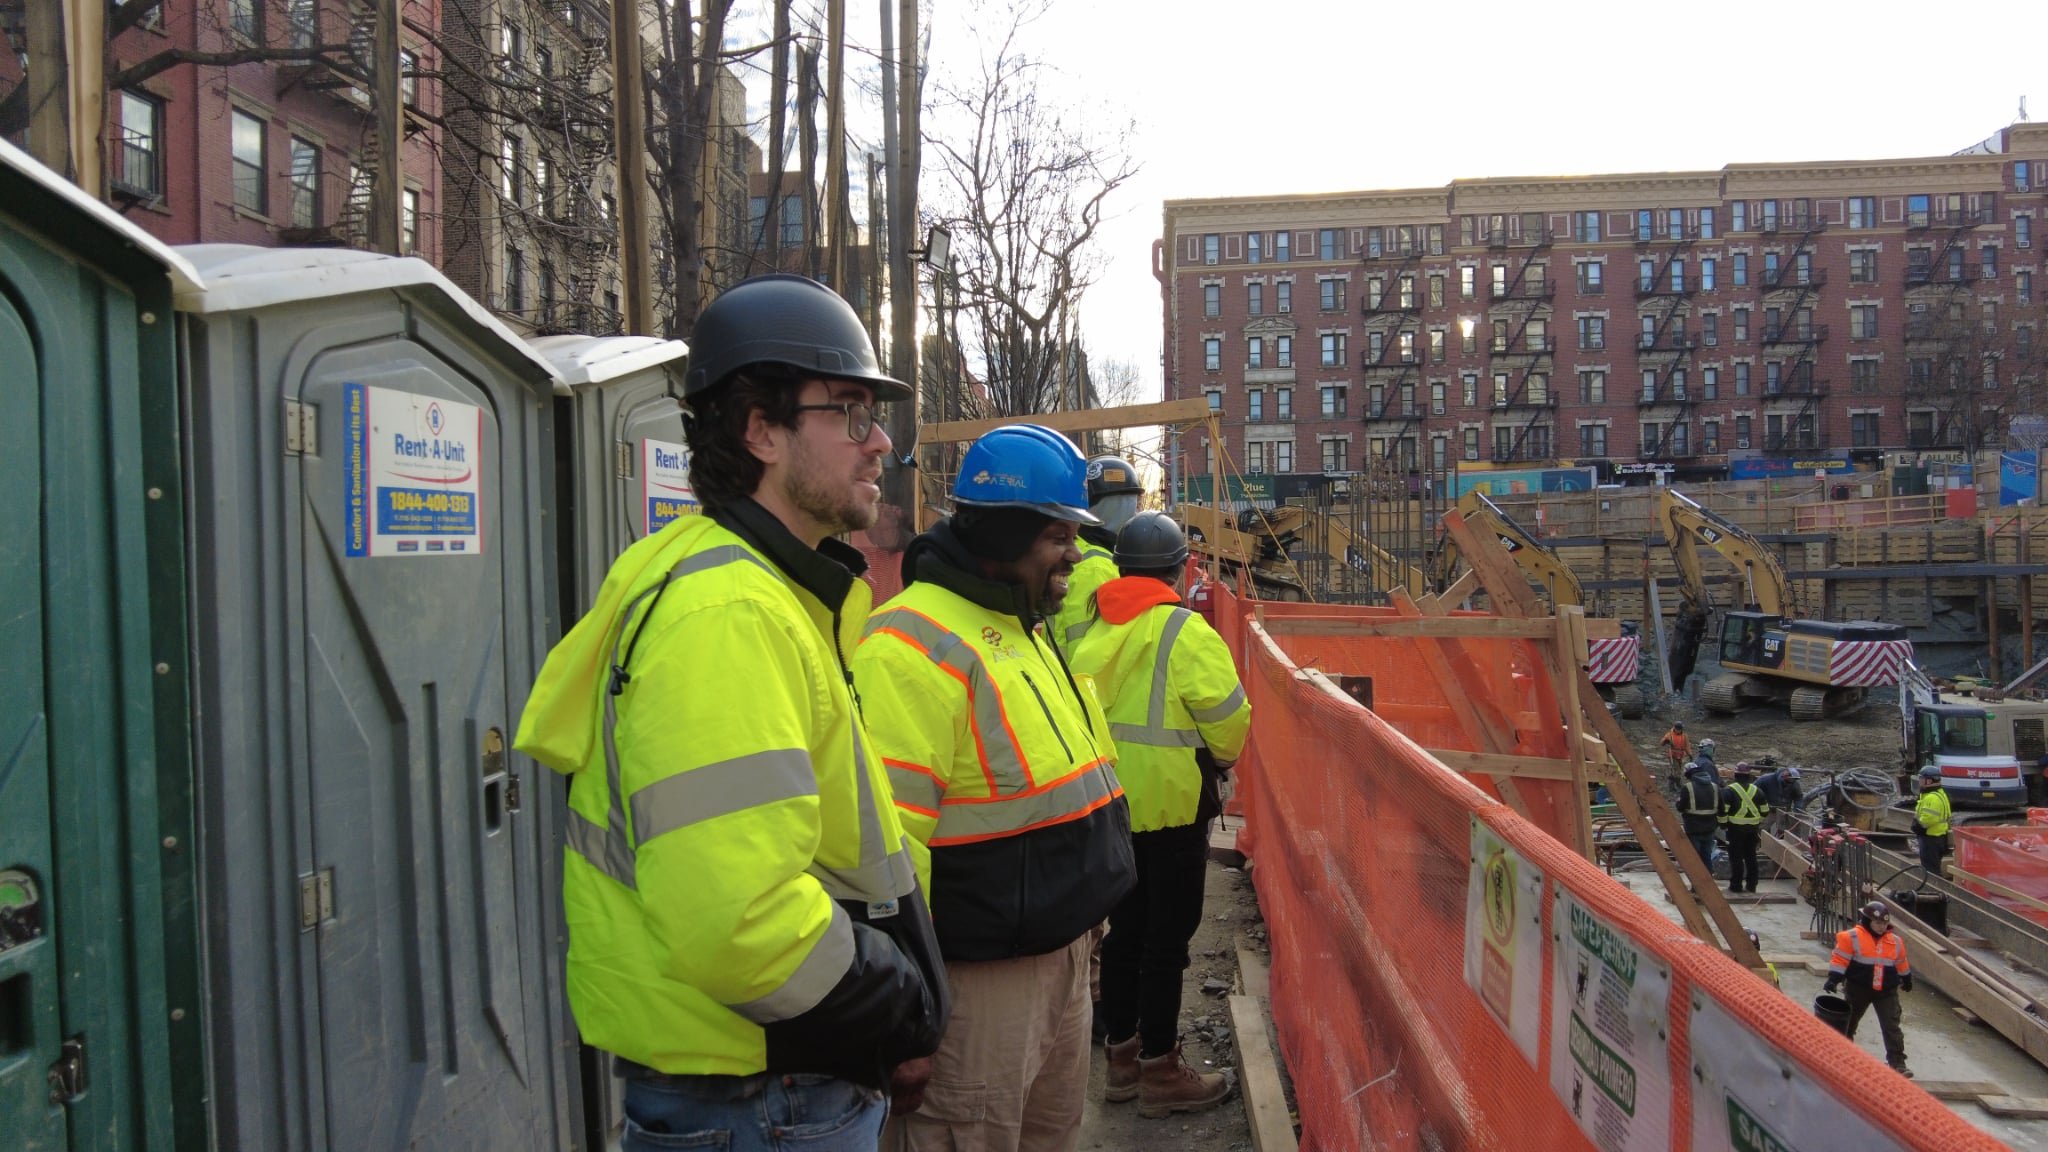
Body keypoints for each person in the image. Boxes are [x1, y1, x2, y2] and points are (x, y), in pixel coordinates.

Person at [515, 274, 948, 1151]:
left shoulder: (757, 585)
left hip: (767, 1084)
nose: (880, 444)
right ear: (761, 431)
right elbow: (739, 923)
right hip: (763, 1098)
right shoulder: (727, 614)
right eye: (851, 414)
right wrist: (893, 998)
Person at [854, 425, 1138, 1152]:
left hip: (1059, 963)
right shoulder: (908, 647)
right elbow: (886, 852)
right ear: (1005, 535)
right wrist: (904, 1018)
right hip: (976, 992)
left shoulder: (1022, 627)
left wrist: (1090, 930)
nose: (1076, 554)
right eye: (1057, 536)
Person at [1068, 512, 1251, 1119]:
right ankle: (1161, 1072)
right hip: (1173, 808)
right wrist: (1218, 760)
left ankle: (1121, 1062)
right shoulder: (1184, 631)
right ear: (1178, 569)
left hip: (1110, 806)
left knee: (1124, 936)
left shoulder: (1095, 628)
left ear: (1120, 568)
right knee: (1166, 943)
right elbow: (1227, 717)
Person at [1052, 454, 1146, 653]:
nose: (1137, 513)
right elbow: (1088, 650)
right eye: (1134, 504)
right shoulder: (1097, 567)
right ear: (1116, 507)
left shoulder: (1081, 550)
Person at [1825, 901, 1916, 1077]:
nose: (1882, 927)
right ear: (1868, 920)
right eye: (1878, 923)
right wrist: (1833, 979)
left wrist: (1906, 978)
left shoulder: (1895, 942)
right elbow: (1840, 960)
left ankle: (1898, 1063)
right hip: (1858, 988)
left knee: (1891, 1026)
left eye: (1884, 923)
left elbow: (1901, 962)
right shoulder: (1851, 938)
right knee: (1849, 1024)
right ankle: (1842, 1058)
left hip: (1886, 991)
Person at [1720, 762, 1769, 894]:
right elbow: (1765, 811)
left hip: (1734, 829)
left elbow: (1723, 812)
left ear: (1735, 775)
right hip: (1752, 830)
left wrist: (1723, 825)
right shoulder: (1757, 790)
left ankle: (1736, 886)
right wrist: (1756, 822)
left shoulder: (1729, 791)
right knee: (1751, 857)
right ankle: (1752, 885)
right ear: (1749, 775)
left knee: (1736, 858)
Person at [1676, 761, 1722, 880]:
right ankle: (1709, 882)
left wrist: (1678, 802)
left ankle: (1697, 886)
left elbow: (1680, 807)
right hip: (1710, 827)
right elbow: (1721, 808)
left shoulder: (1688, 787)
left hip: (1693, 828)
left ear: (1688, 774)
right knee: (1706, 856)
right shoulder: (1714, 787)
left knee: (1694, 859)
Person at [1914, 764, 1953, 881]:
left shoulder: (1932, 798)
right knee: (1933, 868)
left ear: (1929, 781)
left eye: (1922, 778)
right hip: (1938, 837)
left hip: (1931, 838)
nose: (1920, 781)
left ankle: (1933, 888)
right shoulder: (1939, 793)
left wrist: (1917, 825)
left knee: (1931, 871)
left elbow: (1928, 819)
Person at [1756, 762, 1804, 833]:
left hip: (1785, 812)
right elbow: (1754, 791)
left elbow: (1799, 797)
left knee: (1785, 832)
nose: (1790, 783)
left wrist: (1797, 810)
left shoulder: (1794, 784)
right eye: (1789, 780)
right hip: (1769, 811)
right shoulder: (1766, 779)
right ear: (1784, 776)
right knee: (1762, 830)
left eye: (1792, 781)